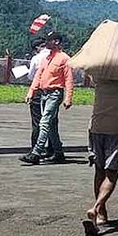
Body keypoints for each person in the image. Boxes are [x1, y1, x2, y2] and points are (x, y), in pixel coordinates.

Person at [82, 76, 118, 236]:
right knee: (112, 173)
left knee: (99, 170)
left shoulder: (99, 76)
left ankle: (102, 216)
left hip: (96, 127)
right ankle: (97, 208)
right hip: (117, 129)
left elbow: (88, 69)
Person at [20, 31, 73, 165]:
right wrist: (31, 92)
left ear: (56, 42)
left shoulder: (64, 58)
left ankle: (36, 153)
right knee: (51, 126)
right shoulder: (46, 58)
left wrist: (68, 98)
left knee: (44, 122)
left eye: (49, 41)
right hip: (44, 93)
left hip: (55, 93)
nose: (46, 43)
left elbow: (68, 80)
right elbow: (38, 76)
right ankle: (59, 154)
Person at [27, 37, 52, 157]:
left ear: (36, 48)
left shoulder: (36, 58)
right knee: (51, 121)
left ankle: (35, 149)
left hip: (38, 90)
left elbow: (31, 76)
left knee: (37, 121)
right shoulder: (56, 56)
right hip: (53, 91)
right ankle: (52, 148)